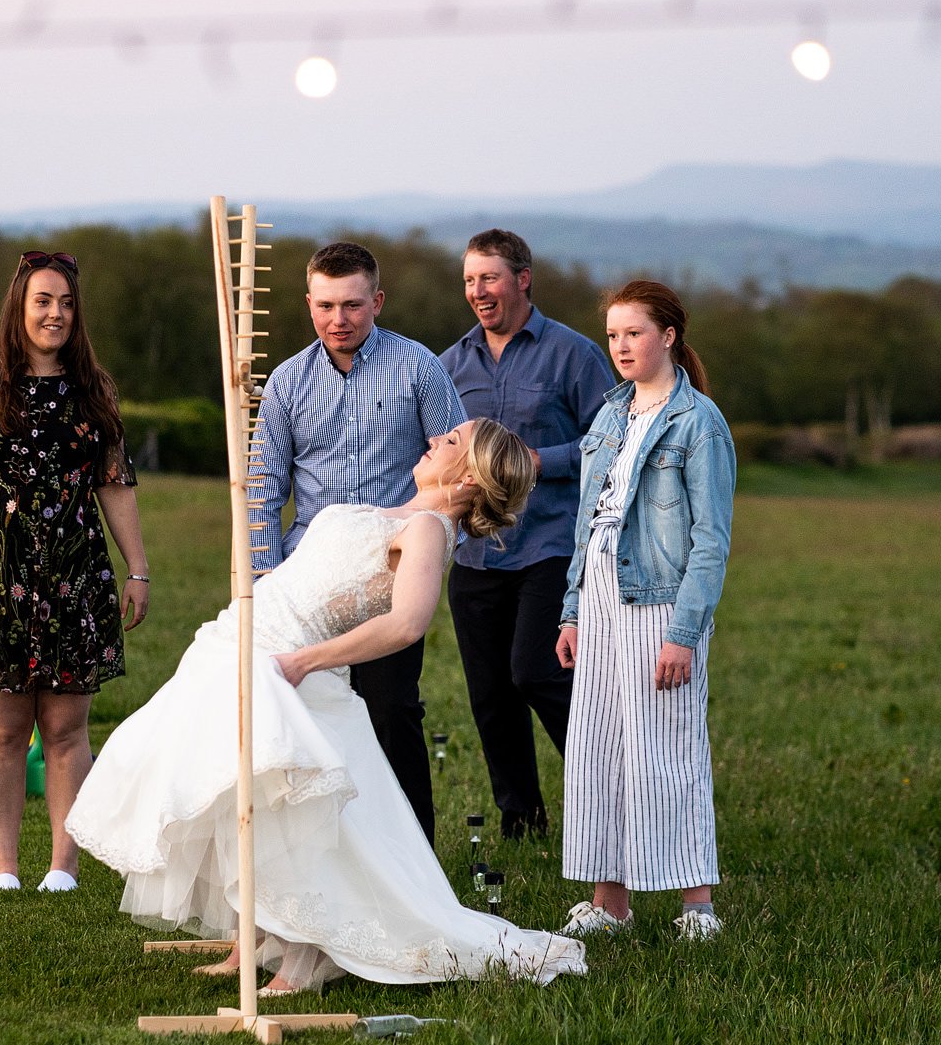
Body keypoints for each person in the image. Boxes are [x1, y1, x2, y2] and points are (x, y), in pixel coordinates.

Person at [67, 420, 586, 994]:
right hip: (249, 635)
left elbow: (407, 623)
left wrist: (304, 662)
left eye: (452, 441)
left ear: (468, 475)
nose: (436, 439)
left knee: (285, 815)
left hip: (288, 664)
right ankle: (254, 936)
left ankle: (302, 960)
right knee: (230, 788)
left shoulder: (430, 531)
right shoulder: (396, 514)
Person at [0, 250, 150, 893]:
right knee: (4, 732)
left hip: (75, 577)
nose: (56, 313)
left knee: (69, 731)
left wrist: (138, 568)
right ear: (19, 308)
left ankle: (63, 869)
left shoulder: (94, 389)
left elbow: (116, 484)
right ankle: (4, 869)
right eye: (43, 301)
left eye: (67, 303)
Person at [249, 241, 468, 843]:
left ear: (377, 300)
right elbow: (264, 486)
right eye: (324, 306)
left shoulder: (419, 367)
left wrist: (438, 551)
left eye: (351, 305)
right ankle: (324, 857)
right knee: (311, 723)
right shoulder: (287, 383)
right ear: (308, 304)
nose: (337, 320)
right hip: (310, 577)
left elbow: (459, 466)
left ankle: (414, 858)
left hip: (388, 576)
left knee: (391, 714)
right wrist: (263, 575)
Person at [554, 280, 735, 941]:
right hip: (600, 596)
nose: (622, 346)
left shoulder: (698, 422)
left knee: (667, 747)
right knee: (600, 744)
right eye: (613, 335)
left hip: (661, 603)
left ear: (668, 337)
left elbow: (711, 542)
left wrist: (683, 634)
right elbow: (586, 523)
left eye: (635, 333)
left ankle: (698, 910)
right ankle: (611, 906)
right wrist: (571, 610)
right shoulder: (608, 415)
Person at [439, 229, 613, 843]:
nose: (478, 291)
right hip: (477, 553)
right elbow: (435, 450)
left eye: (489, 278)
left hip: (552, 545)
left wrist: (543, 462)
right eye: (468, 280)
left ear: (522, 279)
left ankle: (604, 789)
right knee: (490, 694)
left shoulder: (574, 355)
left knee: (535, 672)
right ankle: (522, 816)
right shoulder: (450, 365)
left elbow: (610, 442)